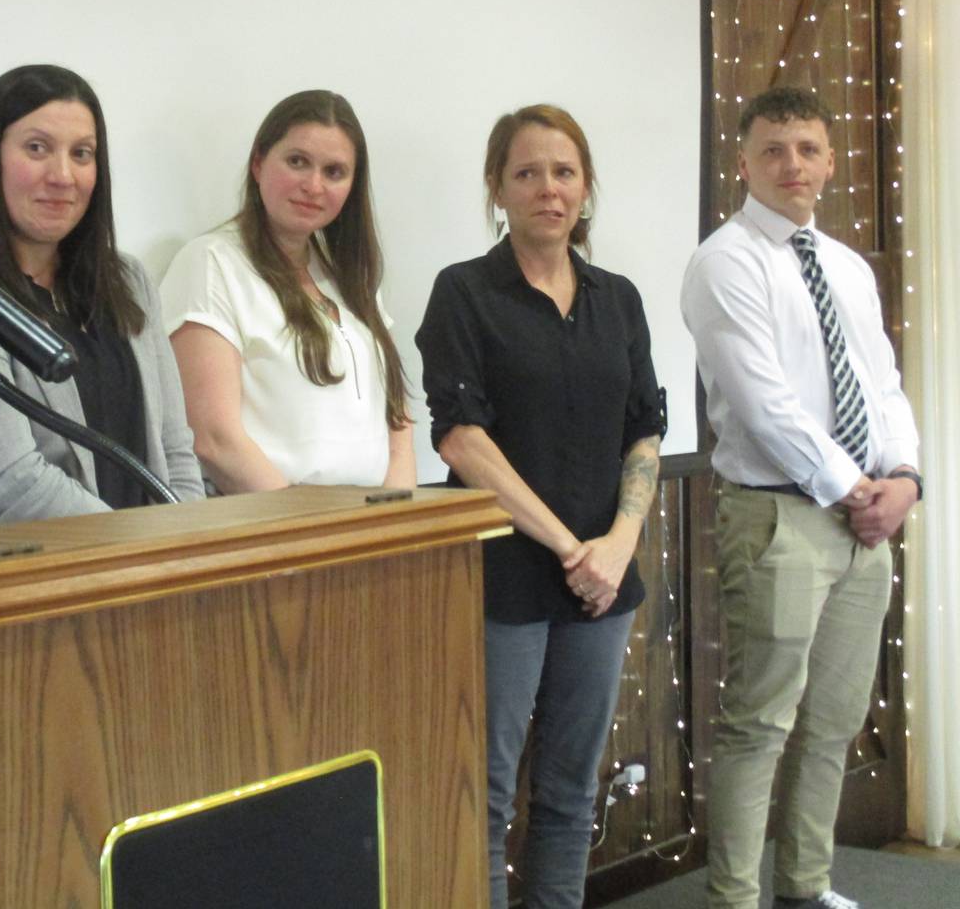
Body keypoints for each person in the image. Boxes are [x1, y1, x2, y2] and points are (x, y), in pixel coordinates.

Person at [414, 104, 664, 909]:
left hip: (603, 580)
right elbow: (459, 438)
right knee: (484, 796)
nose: (547, 190)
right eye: (527, 173)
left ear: (586, 187)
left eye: (563, 172)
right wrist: (570, 547)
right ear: (498, 188)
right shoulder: (463, 293)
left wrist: (618, 545)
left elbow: (646, 430)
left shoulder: (617, 299)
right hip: (505, 575)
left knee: (569, 792)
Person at [682, 87, 921, 909]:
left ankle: (806, 888)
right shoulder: (725, 260)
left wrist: (905, 481)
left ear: (829, 160)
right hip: (779, 515)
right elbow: (761, 401)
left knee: (834, 725)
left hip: (864, 525)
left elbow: (881, 385)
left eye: (808, 149)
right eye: (775, 149)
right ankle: (735, 899)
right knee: (759, 726)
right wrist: (857, 488)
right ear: (742, 162)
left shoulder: (848, 267)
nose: (793, 165)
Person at [0, 65, 204, 532]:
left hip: (147, 581)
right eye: (37, 148)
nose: (62, 175)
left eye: (82, 153)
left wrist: (191, 542)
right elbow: (7, 483)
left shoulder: (129, 281)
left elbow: (174, 448)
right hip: (11, 587)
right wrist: (137, 550)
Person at [159, 90, 414, 492]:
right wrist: (310, 533)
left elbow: (396, 421)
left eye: (334, 172)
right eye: (298, 162)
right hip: (274, 527)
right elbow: (213, 438)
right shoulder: (211, 264)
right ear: (259, 164)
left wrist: (398, 520)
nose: (313, 185)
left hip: (370, 525)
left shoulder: (351, 276)